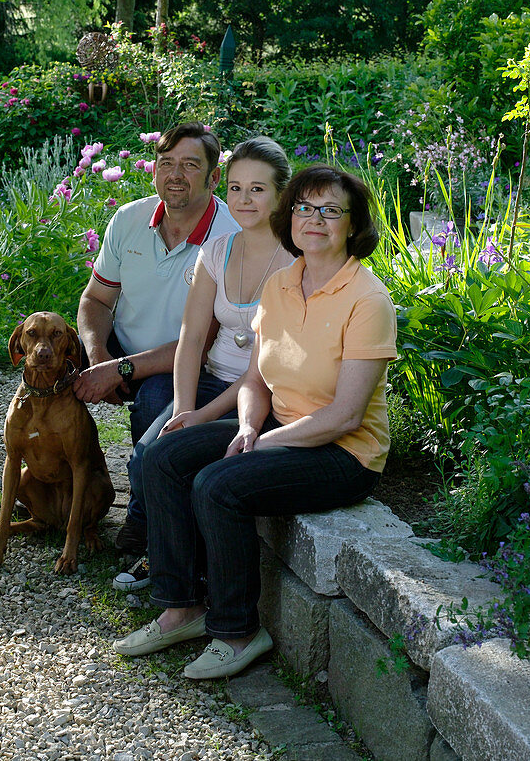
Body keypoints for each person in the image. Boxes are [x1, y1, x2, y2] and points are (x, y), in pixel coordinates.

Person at [113, 165, 397, 680]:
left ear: (353, 226)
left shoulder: (367, 300)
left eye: (330, 210)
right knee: (163, 458)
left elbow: (344, 415)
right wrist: (247, 429)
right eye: (304, 209)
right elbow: (257, 380)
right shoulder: (283, 284)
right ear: (289, 218)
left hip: (342, 453)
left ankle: (238, 630)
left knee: (218, 486)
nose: (315, 220)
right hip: (278, 428)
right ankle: (181, 608)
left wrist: (264, 444)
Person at [112, 137, 293, 592]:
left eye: (257, 189)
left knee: (179, 460)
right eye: (236, 189)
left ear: (281, 196)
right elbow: (193, 340)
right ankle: (167, 560)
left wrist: (201, 418)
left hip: (260, 396)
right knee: (147, 457)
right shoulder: (216, 252)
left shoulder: (294, 264)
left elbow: (263, 370)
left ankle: (177, 570)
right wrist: (182, 411)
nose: (244, 200)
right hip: (212, 380)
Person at [73, 121, 238, 558]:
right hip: (121, 351)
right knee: (48, 363)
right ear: (154, 171)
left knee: (154, 399)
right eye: (167, 163)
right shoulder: (128, 219)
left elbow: (201, 342)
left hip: (193, 366)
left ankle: (143, 520)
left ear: (214, 176)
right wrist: (98, 356)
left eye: (190, 164)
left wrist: (122, 370)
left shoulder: (231, 235)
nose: (176, 174)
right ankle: (60, 496)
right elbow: (95, 300)